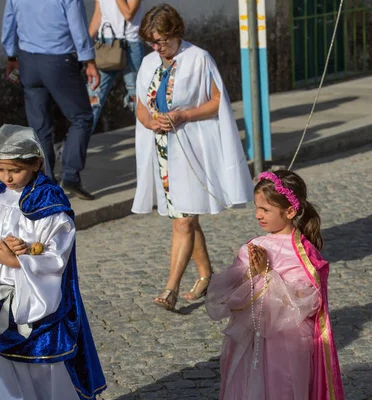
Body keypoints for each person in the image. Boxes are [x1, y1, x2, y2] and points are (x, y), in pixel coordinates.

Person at [0, 125, 107, 399]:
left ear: (37, 163)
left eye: (14, 170)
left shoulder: (48, 201)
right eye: (1, 169)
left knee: (46, 373)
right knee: (4, 371)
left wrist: (22, 258)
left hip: (40, 305)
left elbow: (58, 253)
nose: (6, 177)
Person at [133, 4, 254, 311]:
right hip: (162, 152)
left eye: (163, 41)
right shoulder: (148, 63)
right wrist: (151, 122)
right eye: (153, 42)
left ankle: (170, 289)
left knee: (184, 222)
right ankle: (206, 275)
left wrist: (185, 114)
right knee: (185, 216)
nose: (158, 48)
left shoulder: (199, 58)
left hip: (192, 151)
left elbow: (217, 103)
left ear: (177, 33)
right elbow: (140, 108)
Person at [205, 170, 344, 400]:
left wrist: (267, 274)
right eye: (257, 208)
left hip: (286, 345)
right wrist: (250, 273)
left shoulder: (302, 254)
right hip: (251, 342)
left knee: (282, 389)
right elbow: (227, 293)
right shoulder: (254, 246)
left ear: (290, 211)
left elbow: (306, 302)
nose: (258, 215)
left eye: (266, 210)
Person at [1, 0, 101, 200]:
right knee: (81, 117)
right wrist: (89, 60)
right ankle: (71, 176)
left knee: (40, 127)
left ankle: (46, 182)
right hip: (58, 60)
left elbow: (8, 24)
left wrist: (11, 56)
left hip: (28, 60)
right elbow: (78, 28)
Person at [88, 0, 144, 134]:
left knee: (137, 96)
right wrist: (85, 42)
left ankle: (151, 143)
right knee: (93, 97)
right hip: (104, 44)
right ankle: (76, 147)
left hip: (129, 45)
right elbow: (98, 14)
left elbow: (129, 13)